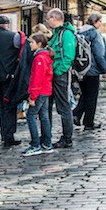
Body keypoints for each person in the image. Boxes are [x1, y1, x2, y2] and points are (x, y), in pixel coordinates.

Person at [0, 15, 23, 147]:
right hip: (9, 76)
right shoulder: (14, 36)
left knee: (1, 105)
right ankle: (9, 135)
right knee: (10, 105)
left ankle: (3, 134)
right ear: (7, 24)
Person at [75, 12, 106, 130]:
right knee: (92, 96)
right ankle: (88, 122)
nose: (101, 24)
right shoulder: (94, 34)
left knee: (85, 95)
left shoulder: (78, 33)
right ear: (96, 22)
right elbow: (99, 54)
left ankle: (76, 115)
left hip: (80, 69)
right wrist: (105, 70)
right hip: (92, 70)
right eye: (100, 21)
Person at [45, 8, 77, 148]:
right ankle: (46, 136)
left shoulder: (66, 34)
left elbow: (68, 56)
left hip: (60, 74)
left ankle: (67, 137)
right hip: (53, 74)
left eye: (48, 19)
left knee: (63, 106)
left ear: (54, 18)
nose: (47, 21)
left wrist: (58, 71)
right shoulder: (57, 34)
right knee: (47, 106)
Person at [22, 32, 54, 156]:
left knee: (31, 115)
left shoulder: (39, 58)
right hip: (45, 90)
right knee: (44, 116)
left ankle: (35, 144)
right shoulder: (45, 56)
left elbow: (37, 78)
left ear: (39, 44)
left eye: (32, 42)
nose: (30, 44)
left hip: (40, 91)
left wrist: (32, 96)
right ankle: (47, 142)